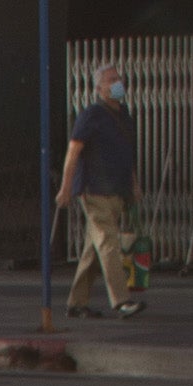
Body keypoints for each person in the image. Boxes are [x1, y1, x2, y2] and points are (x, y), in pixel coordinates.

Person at [54, 62, 141, 318]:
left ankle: (76, 303)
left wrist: (133, 185)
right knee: (108, 243)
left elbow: (127, 155)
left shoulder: (123, 115)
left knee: (94, 249)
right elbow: (74, 150)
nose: (117, 83)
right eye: (110, 79)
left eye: (118, 78)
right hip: (95, 191)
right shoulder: (91, 115)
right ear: (99, 87)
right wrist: (66, 187)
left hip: (116, 191)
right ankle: (121, 301)